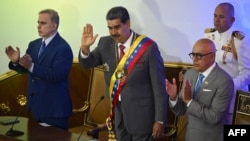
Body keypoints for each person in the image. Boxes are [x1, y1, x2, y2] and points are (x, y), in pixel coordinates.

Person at [78, 6, 168, 141]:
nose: (113, 32)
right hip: (117, 115)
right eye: (110, 28)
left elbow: (159, 86)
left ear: (128, 24)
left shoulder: (148, 47)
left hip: (142, 117)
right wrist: (85, 48)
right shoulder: (105, 43)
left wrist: (159, 120)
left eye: (117, 27)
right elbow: (87, 64)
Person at [179, 2, 250, 123]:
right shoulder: (208, 35)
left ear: (232, 20)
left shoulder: (240, 40)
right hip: (208, 96)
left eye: (221, 17)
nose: (216, 20)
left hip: (230, 98)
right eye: (215, 16)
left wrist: (228, 85)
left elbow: (247, 73)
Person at [5, 9, 73, 130]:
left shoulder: (63, 48)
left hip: (54, 110)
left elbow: (56, 75)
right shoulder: (34, 44)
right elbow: (26, 70)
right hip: (35, 107)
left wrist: (31, 66)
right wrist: (16, 62)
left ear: (53, 26)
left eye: (43, 23)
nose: (38, 26)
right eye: (38, 22)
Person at [166, 38, 234, 141]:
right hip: (191, 137)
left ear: (212, 57)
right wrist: (173, 98)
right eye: (193, 54)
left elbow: (214, 117)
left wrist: (189, 101)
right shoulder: (190, 74)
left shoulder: (224, 81)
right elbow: (181, 110)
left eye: (199, 55)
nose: (194, 59)